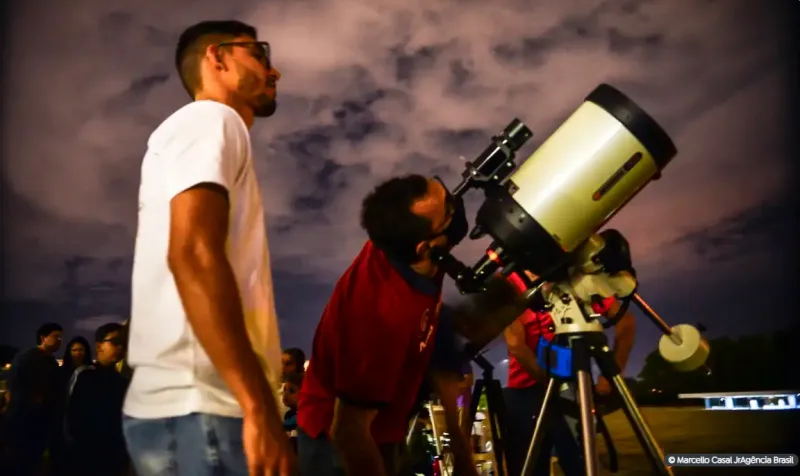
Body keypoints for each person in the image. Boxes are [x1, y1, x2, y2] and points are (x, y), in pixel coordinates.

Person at [122, 19, 295, 476]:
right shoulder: (211, 119)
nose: (274, 71)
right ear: (216, 57)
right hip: (207, 410)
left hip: (197, 410)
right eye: (259, 54)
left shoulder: (206, 129)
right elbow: (193, 255)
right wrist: (258, 406)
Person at [296, 174, 479, 476]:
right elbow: (349, 433)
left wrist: (462, 452)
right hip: (337, 445)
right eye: (448, 210)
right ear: (426, 248)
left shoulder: (404, 249)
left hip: (385, 426)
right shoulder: (379, 318)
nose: (456, 205)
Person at [502, 271, 637, 476]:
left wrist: (610, 373)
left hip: (572, 387)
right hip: (529, 391)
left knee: (578, 466)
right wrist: (552, 383)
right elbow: (516, 345)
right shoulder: (513, 282)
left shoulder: (576, 276)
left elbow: (625, 322)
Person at [65, 323, 130, 476]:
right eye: (115, 342)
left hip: (114, 459)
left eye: (124, 343)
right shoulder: (83, 376)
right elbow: (68, 415)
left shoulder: (123, 382)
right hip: (84, 458)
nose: (120, 347)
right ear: (99, 345)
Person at [0, 322, 63, 476]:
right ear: (43, 338)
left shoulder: (52, 363)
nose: (60, 340)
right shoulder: (26, 357)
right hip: (22, 421)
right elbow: (13, 386)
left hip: (41, 423)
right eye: (56, 336)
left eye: (61, 337)